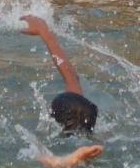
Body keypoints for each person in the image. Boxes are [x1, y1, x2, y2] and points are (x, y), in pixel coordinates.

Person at [19, 16, 101, 144]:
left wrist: (44, 31)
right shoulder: (94, 139)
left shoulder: (54, 148)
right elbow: (72, 78)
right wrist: (44, 33)